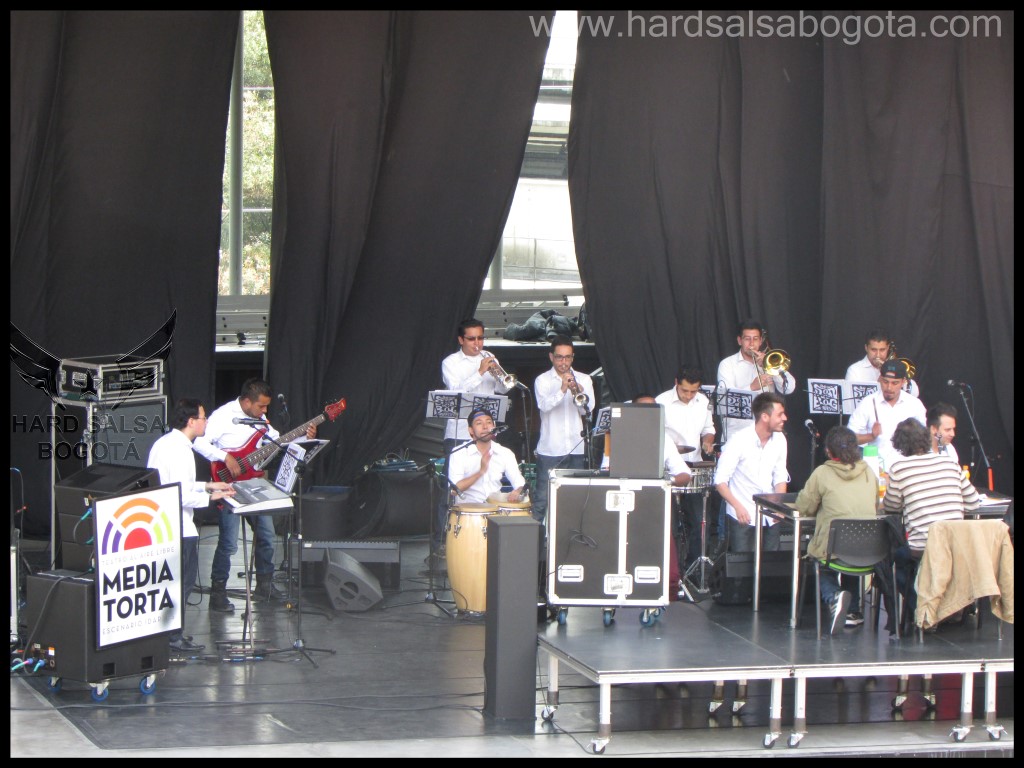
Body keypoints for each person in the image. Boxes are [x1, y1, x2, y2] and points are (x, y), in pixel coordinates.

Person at [193, 378, 316, 610]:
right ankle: (217, 593)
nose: (265, 411)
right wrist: (225, 457)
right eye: (261, 406)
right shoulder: (223, 416)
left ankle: (265, 585)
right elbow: (198, 442)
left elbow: (278, 442)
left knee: (267, 536)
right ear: (247, 402)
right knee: (229, 543)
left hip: (255, 484)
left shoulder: (261, 421)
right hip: (228, 486)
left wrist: (304, 438)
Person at [147, 399, 235, 653]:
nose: (206, 422)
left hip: (166, 527)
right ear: (191, 421)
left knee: (173, 584)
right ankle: (172, 638)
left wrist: (207, 485)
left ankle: (170, 635)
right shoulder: (178, 450)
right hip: (178, 528)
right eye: (203, 417)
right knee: (181, 584)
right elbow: (179, 493)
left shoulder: (167, 443)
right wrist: (211, 497)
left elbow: (179, 483)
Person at [882, 418, 980, 622]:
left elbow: (891, 506)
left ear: (899, 445)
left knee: (892, 564)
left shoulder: (899, 468)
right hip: (956, 544)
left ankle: (927, 612)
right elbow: (973, 502)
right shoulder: (950, 463)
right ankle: (944, 609)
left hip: (923, 546)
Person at [601, 395, 693, 598]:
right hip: (622, 504)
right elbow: (605, 470)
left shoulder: (664, 438)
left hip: (653, 506)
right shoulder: (614, 435)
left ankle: (663, 588)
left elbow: (684, 474)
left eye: (654, 410)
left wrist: (667, 481)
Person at [794, 426, 877, 635]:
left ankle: (834, 597)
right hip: (868, 551)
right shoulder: (869, 472)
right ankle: (852, 611)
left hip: (834, 549)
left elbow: (804, 507)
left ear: (828, 452)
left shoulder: (822, 473)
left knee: (819, 559)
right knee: (852, 549)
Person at [437, 319, 513, 547]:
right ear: (461, 340)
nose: (477, 343)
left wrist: (500, 377)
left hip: (485, 434)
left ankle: (481, 538)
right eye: (471, 339)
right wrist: (480, 371)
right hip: (459, 433)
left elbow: (502, 389)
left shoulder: (489, 357)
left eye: (480, 338)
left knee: (485, 484)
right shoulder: (450, 363)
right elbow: (455, 391)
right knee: (452, 490)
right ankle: (443, 543)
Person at [714, 392, 791, 553]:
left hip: (770, 515)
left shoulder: (780, 440)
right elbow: (720, 480)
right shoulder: (739, 439)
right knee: (742, 564)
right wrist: (737, 506)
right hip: (743, 513)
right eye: (780, 414)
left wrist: (779, 506)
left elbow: (780, 476)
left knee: (771, 564)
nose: (784, 418)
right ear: (764, 417)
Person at [655, 367, 716, 571]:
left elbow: (708, 429)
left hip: (695, 466)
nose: (689, 396)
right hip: (669, 468)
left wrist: (708, 442)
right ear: (676, 383)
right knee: (669, 525)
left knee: (700, 522)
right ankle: (671, 570)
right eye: (685, 391)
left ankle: (693, 569)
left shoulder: (703, 401)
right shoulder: (661, 401)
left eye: (693, 391)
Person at [533, 336, 595, 524]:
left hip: (576, 448)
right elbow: (544, 406)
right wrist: (562, 390)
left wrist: (578, 391)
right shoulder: (542, 380)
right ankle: (535, 539)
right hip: (551, 449)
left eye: (568, 357)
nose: (564, 362)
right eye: (559, 357)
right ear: (551, 357)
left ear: (573, 357)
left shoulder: (584, 379)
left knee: (574, 500)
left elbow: (588, 410)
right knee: (542, 500)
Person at [716, 319, 797, 444]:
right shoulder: (727, 364)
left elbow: (789, 388)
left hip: (767, 432)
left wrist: (770, 368)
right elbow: (726, 399)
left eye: (755, 339)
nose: (751, 344)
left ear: (761, 341)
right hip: (738, 433)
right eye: (747, 339)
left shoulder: (767, 362)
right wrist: (752, 387)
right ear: (739, 341)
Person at [847, 359, 926, 472]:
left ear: (903, 381)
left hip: (907, 469)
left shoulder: (915, 404)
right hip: (876, 469)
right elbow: (849, 438)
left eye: (895, 383)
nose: (889, 388)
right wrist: (871, 436)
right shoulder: (867, 403)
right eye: (885, 382)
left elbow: (924, 440)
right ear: (880, 379)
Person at [448, 409, 527, 504]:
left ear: (494, 427)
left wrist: (519, 491)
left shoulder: (505, 453)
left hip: (496, 510)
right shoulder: (459, 453)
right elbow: (454, 490)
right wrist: (480, 472)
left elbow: (520, 484)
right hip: (468, 510)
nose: (485, 427)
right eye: (479, 423)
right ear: (471, 430)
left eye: (489, 422)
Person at [845, 329, 919, 397]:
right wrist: (882, 378)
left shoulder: (894, 367)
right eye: (873, 350)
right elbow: (851, 398)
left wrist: (900, 378)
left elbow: (915, 393)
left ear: (888, 348)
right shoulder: (854, 370)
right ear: (866, 348)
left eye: (882, 350)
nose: (878, 355)